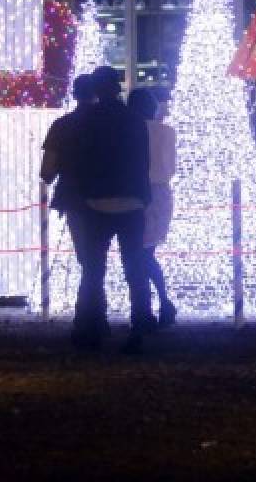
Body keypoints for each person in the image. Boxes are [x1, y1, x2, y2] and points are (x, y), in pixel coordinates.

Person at [77, 65, 153, 353]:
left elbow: (83, 160)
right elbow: (142, 161)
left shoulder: (89, 120)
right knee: (135, 267)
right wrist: (143, 197)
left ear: (96, 89)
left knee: (94, 269)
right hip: (131, 201)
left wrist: (84, 193)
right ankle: (138, 328)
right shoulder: (134, 120)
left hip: (96, 201)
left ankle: (92, 327)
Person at [39, 75, 96, 340]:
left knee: (88, 259)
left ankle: (87, 317)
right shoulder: (107, 124)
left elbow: (47, 171)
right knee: (100, 258)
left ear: (75, 95)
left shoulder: (62, 126)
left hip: (75, 197)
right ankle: (97, 315)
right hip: (112, 195)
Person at [128, 87, 177, 327]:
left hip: (139, 192)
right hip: (163, 193)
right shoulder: (167, 132)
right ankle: (163, 304)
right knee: (147, 253)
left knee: (141, 254)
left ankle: (158, 304)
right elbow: (171, 166)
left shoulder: (132, 131)